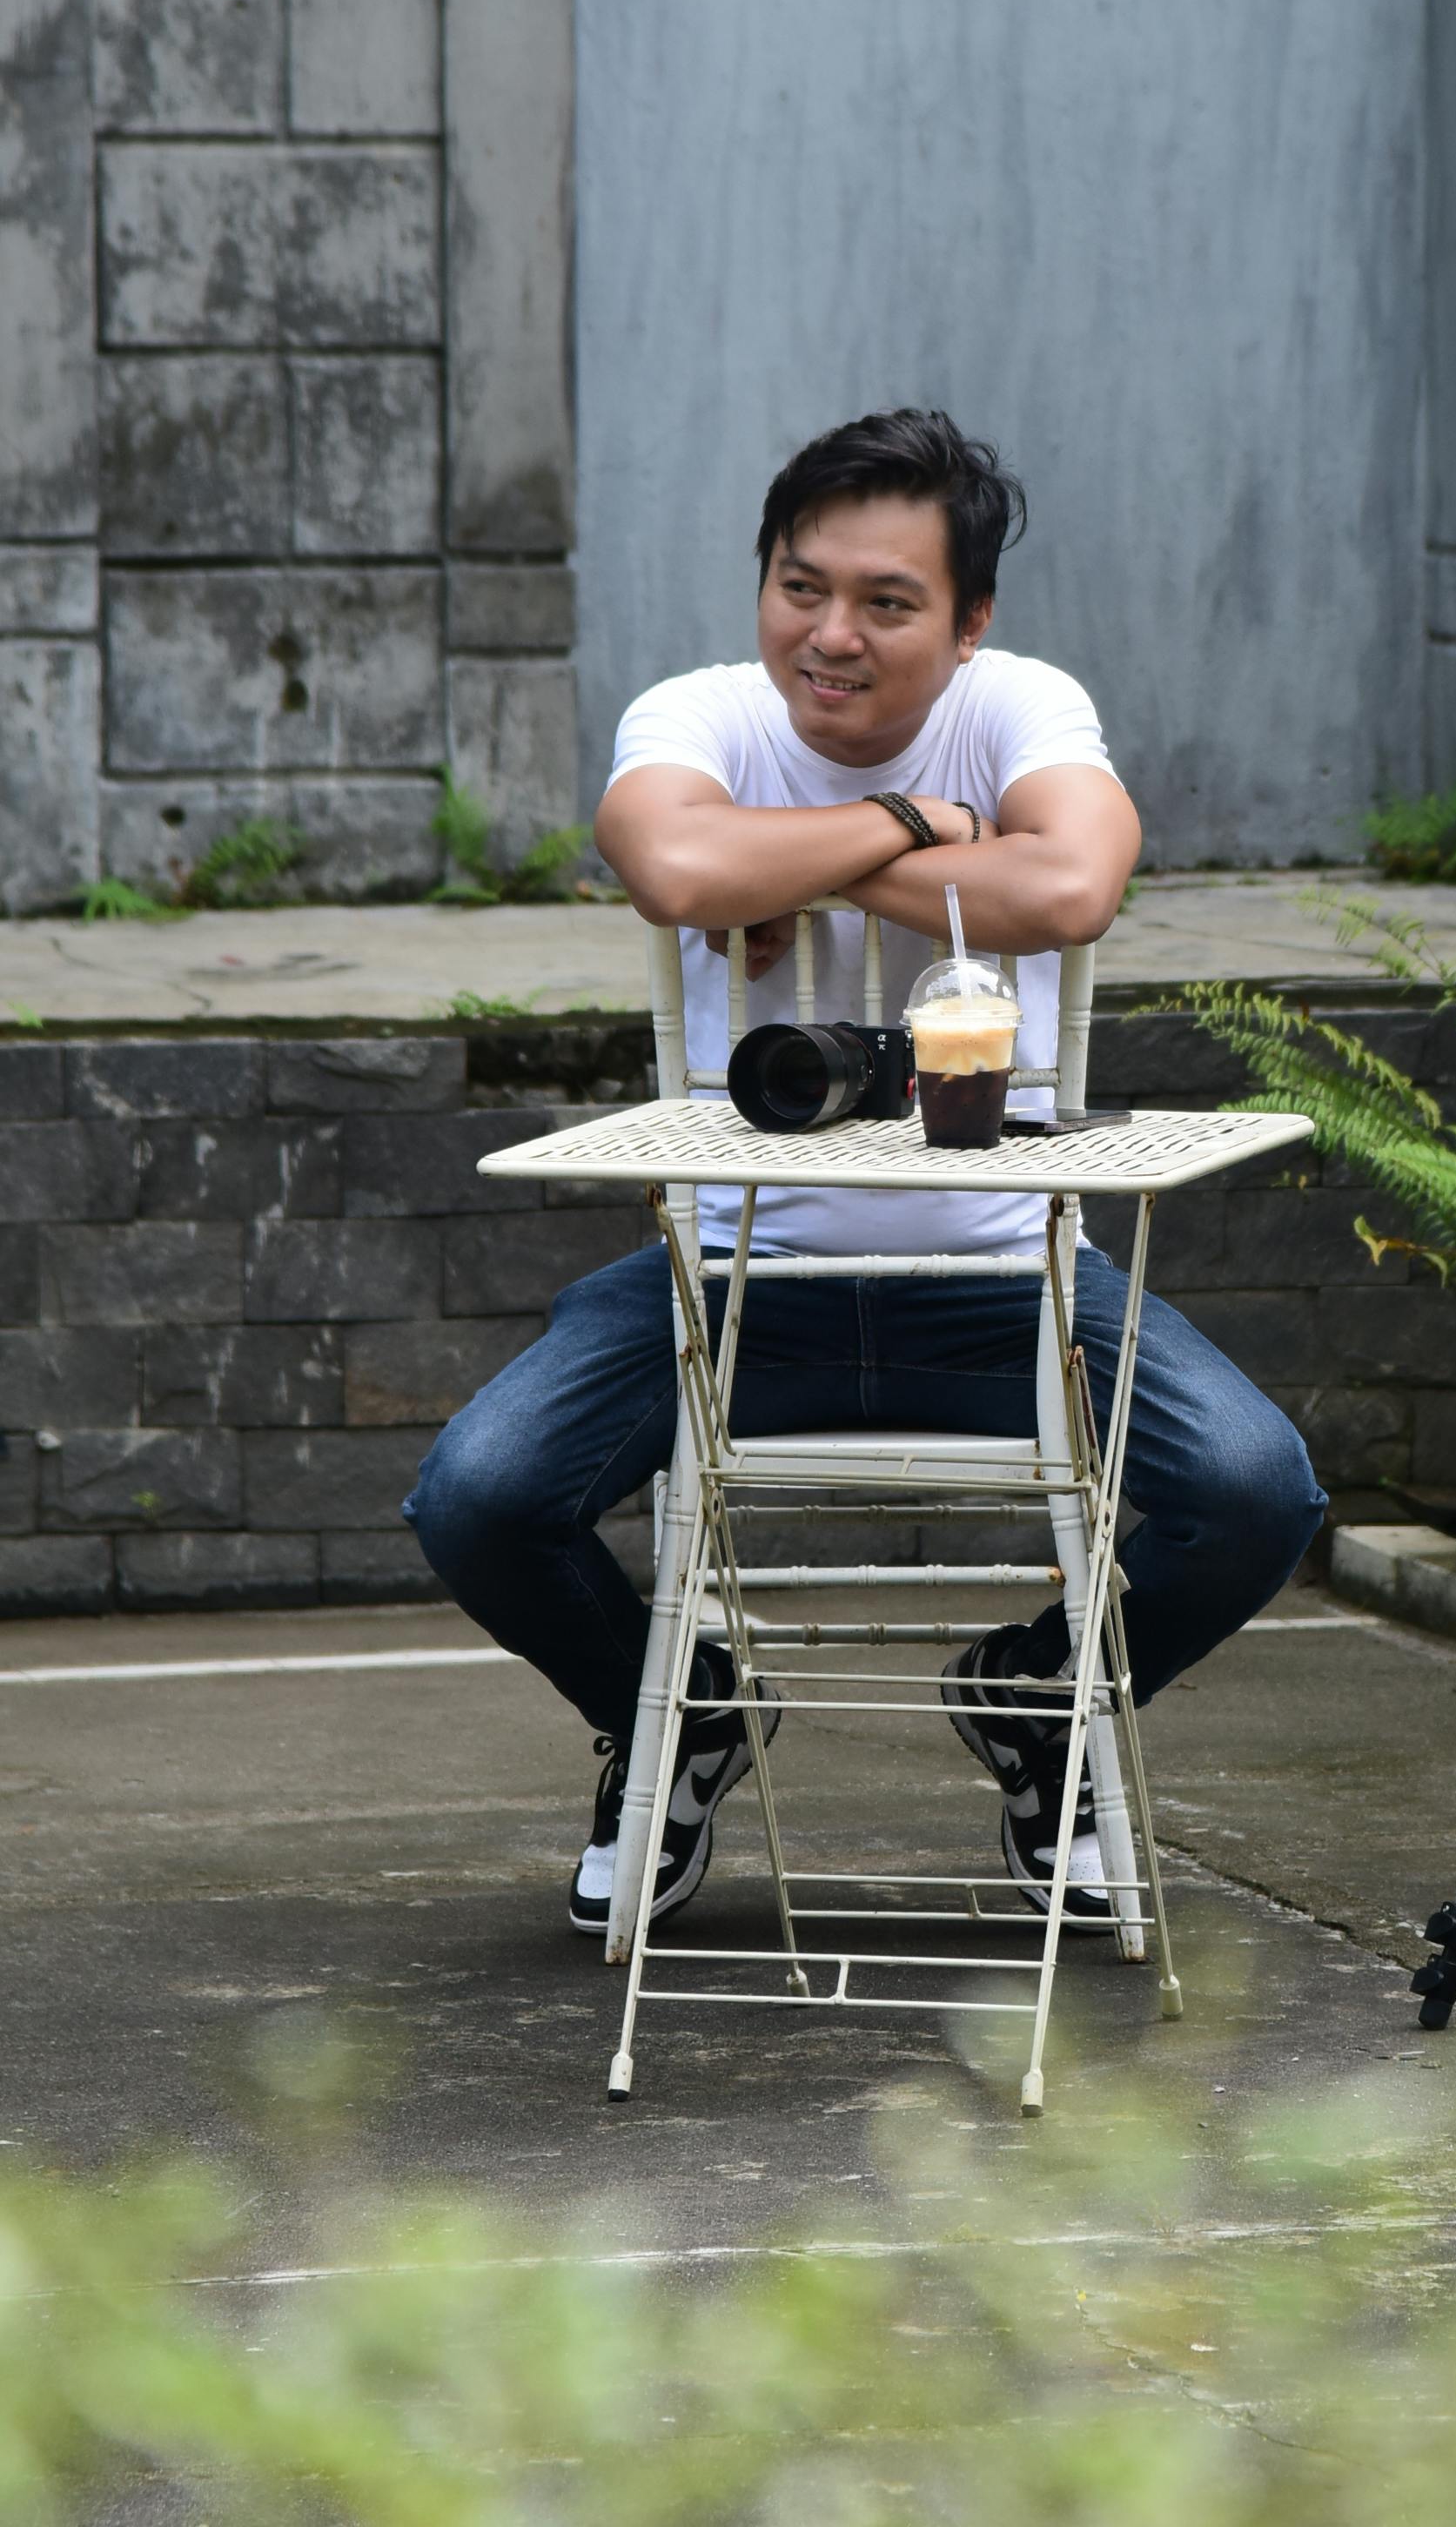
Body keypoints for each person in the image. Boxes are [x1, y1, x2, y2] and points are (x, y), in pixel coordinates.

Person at [406, 408, 1325, 1933]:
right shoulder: (696, 715)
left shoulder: (1025, 707)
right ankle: (676, 1711)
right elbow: (680, 869)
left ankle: (1041, 1698)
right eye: (798, 586)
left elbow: (1075, 884)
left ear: (969, 626)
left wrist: (804, 853)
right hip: (733, 1280)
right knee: (480, 1496)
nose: (830, 636)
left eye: (888, 603)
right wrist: (925, 829)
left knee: (1253, 1489)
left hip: (999, 1275)